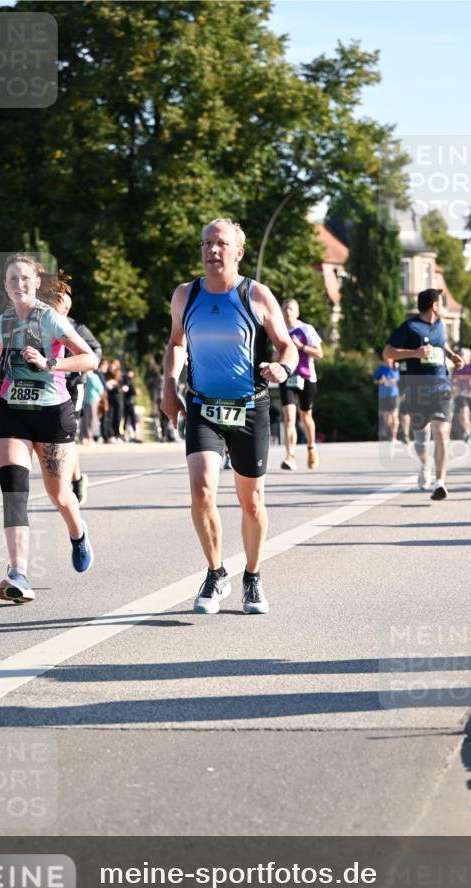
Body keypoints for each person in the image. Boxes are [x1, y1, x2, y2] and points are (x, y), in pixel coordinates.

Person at [161, 217, 297, 615]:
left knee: (251, 502)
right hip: (203, 407)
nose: (211, 251)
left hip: (250, 406)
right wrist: (169, 384)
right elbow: (175, 343)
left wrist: (283, 368)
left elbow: (287, 346)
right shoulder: (186, 295)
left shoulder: (256, 295)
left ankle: (252, 577)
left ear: (238, 252)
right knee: (202, 491)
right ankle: (216, 571)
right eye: (205, 243)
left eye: (220, 243)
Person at [0, 253, 99, 604]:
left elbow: (90, 358)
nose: (19, 284)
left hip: (52, 413)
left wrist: (51, 362)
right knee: (14, 492)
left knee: (60, 495)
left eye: (25, 279)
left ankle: (78, 533)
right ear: (5, 286)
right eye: (12, 279)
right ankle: (18, 572)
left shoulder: (51, 319)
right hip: (12, 412)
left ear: (36, 284)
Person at [383, 287, 464, 500]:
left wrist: (452, 355)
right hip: (416, 388)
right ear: (434, 306)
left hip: (441, 387)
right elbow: (387, 352)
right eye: (441, 302)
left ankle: (440, 483)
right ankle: (424, 463)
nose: (443, 305)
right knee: (420, 441)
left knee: (441, 433)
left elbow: (440, 344)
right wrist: (414, 353)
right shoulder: (410, 327)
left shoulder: (440, 326)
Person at [53, 289, 102, 505]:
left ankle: (71, 482)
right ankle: (77, 479)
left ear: (66, 309)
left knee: (68, 435)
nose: (53, 308)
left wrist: (85, 366)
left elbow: (96, 349)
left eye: (58, 305)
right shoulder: (44, 326)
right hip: (52, 385)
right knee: (59, 437)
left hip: (73, 385)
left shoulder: (78, 328)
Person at [279, 298, 324, 470]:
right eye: (284, 309)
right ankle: (290, 456)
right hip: (287, 377)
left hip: (306, 377)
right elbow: (276, 355)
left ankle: (311, 448)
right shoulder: (280, 331)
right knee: (289, 417)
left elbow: (319, 353)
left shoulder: (307, 329)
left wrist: (300, 347)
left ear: (297, 312)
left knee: (305, 416)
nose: (287, 311)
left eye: (290, 309)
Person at [372, 357, 400, 442]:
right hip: (384, 396)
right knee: (387, 417)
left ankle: (394, 436)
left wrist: (392, 381)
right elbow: (375, 381)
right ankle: (389, 433)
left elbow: (400, 380)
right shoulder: (381, 369)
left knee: (394, 415)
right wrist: (381, 380)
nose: (388, 361)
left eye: (390, 359)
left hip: (394, 395)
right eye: (387, 360)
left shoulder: (396, 369)